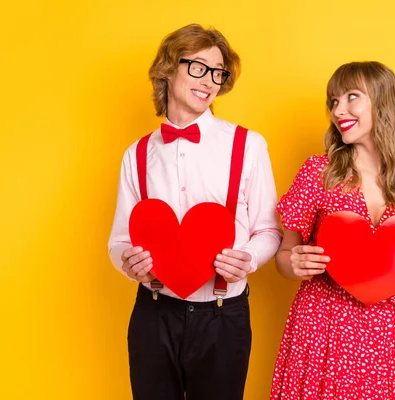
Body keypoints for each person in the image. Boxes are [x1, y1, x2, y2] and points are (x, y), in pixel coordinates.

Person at [108, 24, 281, 400]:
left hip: (224, 315)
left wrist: (247, 260)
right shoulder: (137, 155)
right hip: (154, 315)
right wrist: (128, 260)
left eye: (219, 72)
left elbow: (269, 230)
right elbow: (119, 239)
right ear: (168, 69)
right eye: (199, 67)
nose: (211, 81)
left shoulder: (247, 145)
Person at [270, 61, 395, 399]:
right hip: (323, 328)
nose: (338, 109)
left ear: (383, 102)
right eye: (333, 101)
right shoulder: (318, 172)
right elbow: (284, 256)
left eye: (351, 97)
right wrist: (291, 262)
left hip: (393, 337)